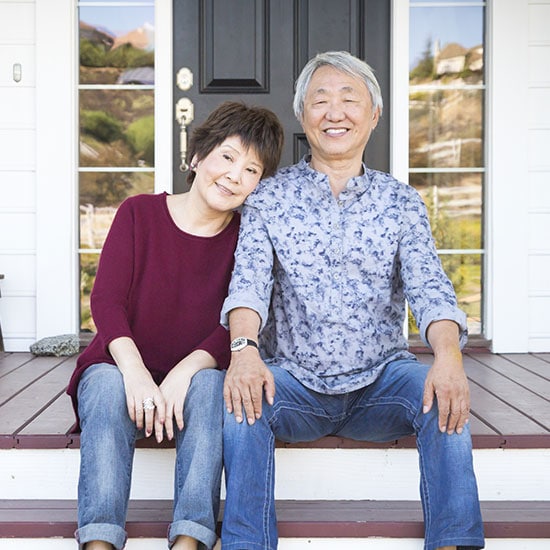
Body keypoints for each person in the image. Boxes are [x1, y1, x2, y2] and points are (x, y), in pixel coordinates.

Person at [220, 51, 485, 550]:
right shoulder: (269, 198)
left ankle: (455, 543)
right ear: (304, 115)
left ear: (374, 114)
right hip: (294, 384)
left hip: (381, 382)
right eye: (320, 100)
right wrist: (245, 351)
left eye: (349, 99)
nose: (334, 113)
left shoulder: (400, 201)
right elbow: (248, 285)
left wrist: (449, 356)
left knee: (444, 394)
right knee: (240, 400)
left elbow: (430, 288)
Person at [66, 101, 284, 550]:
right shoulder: (138, 213)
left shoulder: (248, 238)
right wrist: (136, 372)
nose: (234, 176)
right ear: (197, 156)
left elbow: (238, 322)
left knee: (209, 388)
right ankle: (99, 541)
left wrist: (184, 371)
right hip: (121, 366)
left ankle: (190, 539)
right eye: (227, 157)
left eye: (251, 170)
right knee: (106, 387)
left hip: (194, 375)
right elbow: (106, 299)